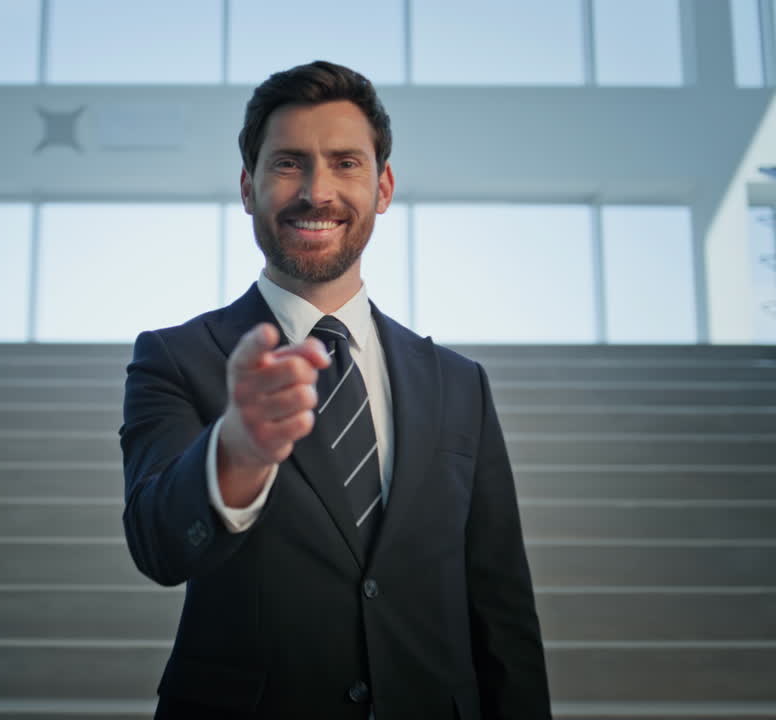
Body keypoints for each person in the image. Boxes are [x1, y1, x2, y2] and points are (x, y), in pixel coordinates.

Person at [120, 60, 551, 720]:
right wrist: (237, 451)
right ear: (248, 186)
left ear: (383, 187)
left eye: (345, 163)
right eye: (288, 163)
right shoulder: (176, 360)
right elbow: (158, 546)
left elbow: (501, 607)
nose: (316, 191)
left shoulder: (459, 385)